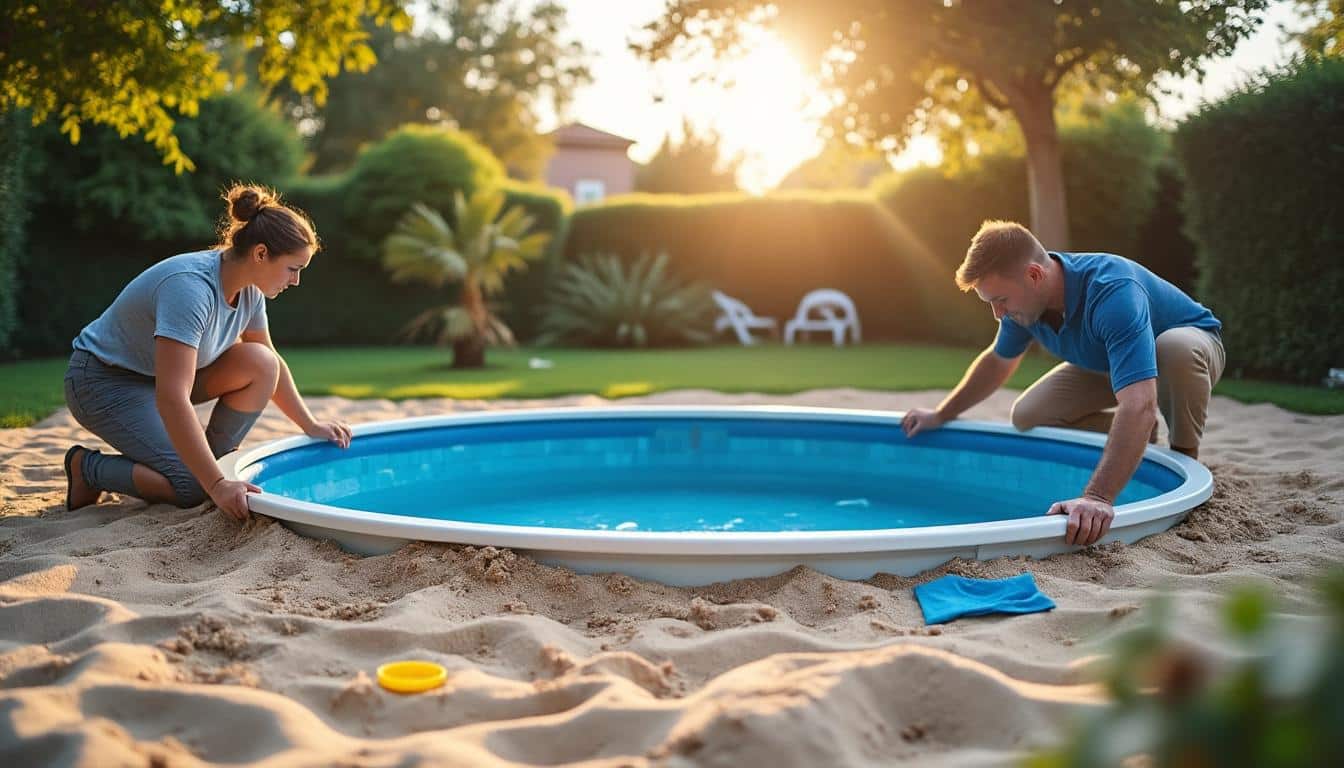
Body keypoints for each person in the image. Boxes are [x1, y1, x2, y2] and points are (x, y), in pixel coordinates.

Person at [902, 221, 1225, 547]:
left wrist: (1097, 498)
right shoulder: (1024, 306)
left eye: (1000, 299)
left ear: (1034, 275)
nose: (997, 314)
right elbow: (997, 362)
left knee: (1173, 350)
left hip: (1190, 347)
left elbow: (1140, 402)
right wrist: (941, 415)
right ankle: (1141, 434)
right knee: (1027, 414)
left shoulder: (1113, 292)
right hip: (1107, 364)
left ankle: (1186, 461)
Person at [62, 184, 352, 521]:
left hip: (152, 377)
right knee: (196, 487)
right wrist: (215, 484)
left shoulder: (250, 291)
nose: (296, 281)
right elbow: (172, 397)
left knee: (262, 362)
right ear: (260, 254)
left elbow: (270, 361)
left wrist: (311, 424)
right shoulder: (190, 289)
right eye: (293, 268)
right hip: (102, 382)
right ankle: (89, 468)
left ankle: (214, 461)